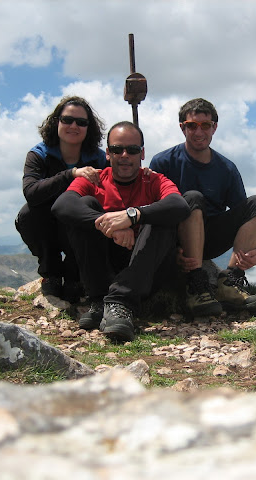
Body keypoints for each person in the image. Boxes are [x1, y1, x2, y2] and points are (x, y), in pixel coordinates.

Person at [52, 121, 190, 342]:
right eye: (117, 149)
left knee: (161, 217)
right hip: (106, 261)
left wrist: (132, 215)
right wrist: (108, 224)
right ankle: (100, 300)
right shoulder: (96, 179)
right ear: (108, 153)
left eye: (133, 149)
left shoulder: (153, 180)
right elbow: (62, 206)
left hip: (144, 267)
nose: (125, 155)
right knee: (85, 204)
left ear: (142, 153)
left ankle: (120, 302)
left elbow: (179, 205)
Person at [150, 98, 256, 317]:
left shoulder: (226, 168)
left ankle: (230, 281)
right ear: (182, 128)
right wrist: (169, 250)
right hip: (178, 240)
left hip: (212, 238)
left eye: (205, 125)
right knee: (193, 198)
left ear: (214, 127)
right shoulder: (163, 162)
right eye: (192, 125)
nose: (199, 132)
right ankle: (196, 285)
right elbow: (155, 210)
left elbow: (245, 212)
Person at [15, 96, 107, 302]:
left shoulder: (99, 159)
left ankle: (76, 275)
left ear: (88, 128)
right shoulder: (39, 155)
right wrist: (71, 174)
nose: (74, 126)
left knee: (88, 208)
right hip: (47, 224)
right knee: (29, 213)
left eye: (81, 122)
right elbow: (31, 192)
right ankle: (52, 274)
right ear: (56, 121)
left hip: (78, 226)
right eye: (67, 120)